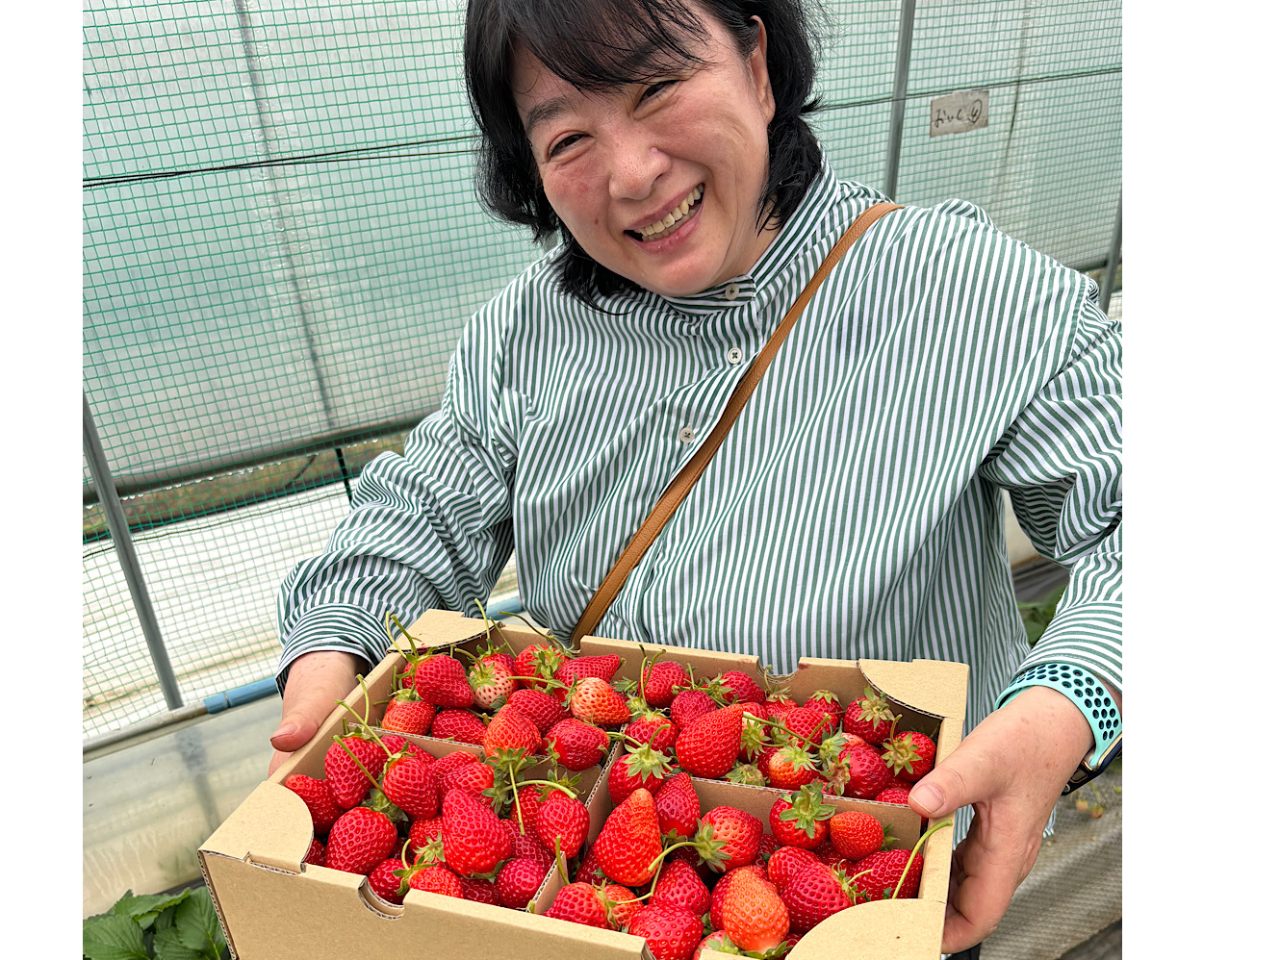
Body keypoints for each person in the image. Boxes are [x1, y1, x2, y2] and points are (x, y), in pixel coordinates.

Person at [268, 1, 1122, 955]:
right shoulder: (526, 329)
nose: (633, 175)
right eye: (569, 137)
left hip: (867, 903)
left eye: (659, 87)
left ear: (758, 67)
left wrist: (1068, 705)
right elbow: (421, 509)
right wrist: (331, 657)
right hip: (600, 893)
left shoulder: (969, 293)